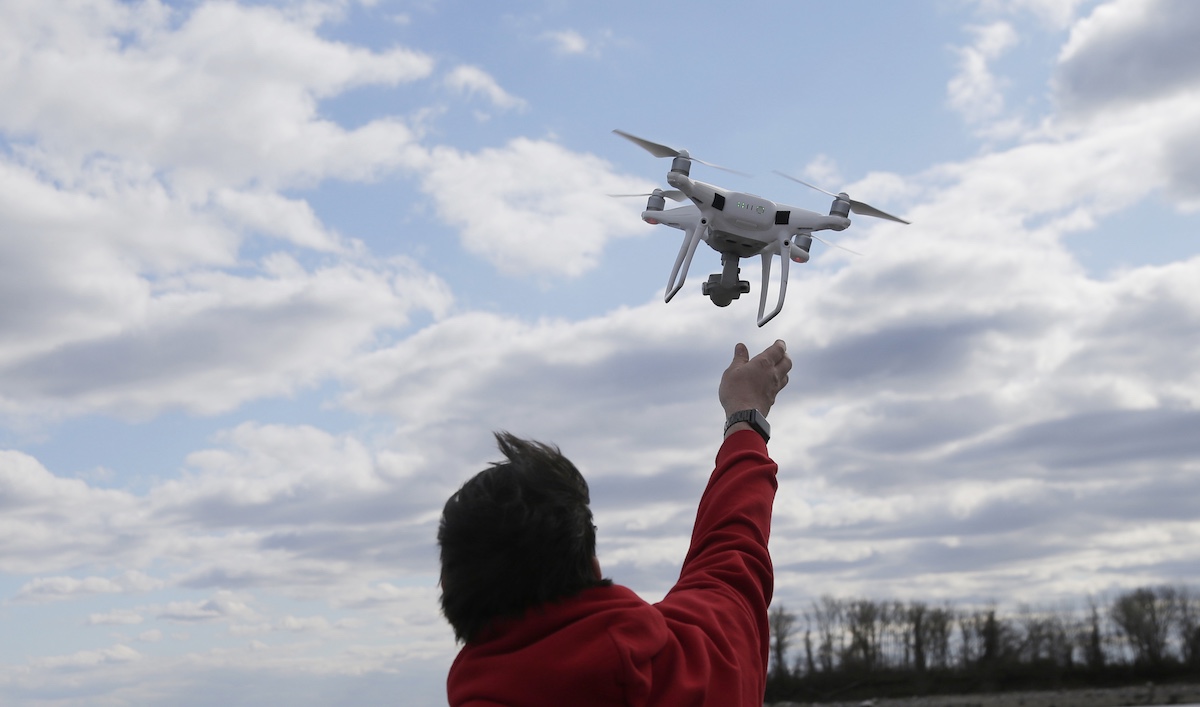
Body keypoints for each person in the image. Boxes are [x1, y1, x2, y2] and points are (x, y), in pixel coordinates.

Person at [439, 340, 792, 706]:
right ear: (593, 569)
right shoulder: (694, 669)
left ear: (449, 591)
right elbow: (731, 554)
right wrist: (745, 417)